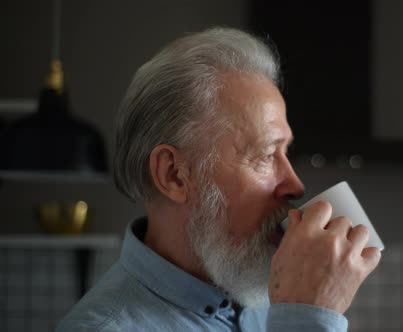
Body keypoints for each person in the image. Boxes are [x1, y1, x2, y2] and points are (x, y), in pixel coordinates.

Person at [57, 26, 381, 331]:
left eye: (286, 153)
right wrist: (308, 318)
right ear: (175, 175)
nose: (295, 185)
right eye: (267, 156)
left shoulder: (266, 300)